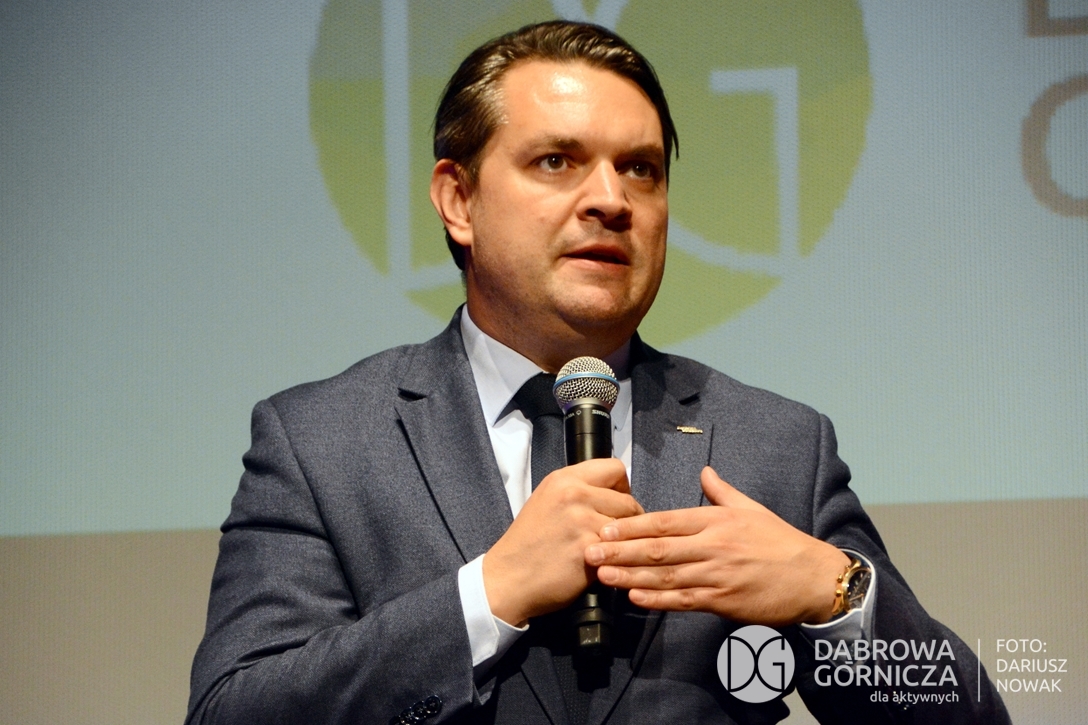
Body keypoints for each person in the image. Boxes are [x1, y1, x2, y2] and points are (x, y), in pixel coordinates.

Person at [187, 21, 1008, 725]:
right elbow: (233, 709)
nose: (612, 199)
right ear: (458, 201)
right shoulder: (322, 441)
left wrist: (833, 591)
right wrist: (489, 593)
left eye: (641, 168)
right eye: (557, 161)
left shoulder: (776, 445)